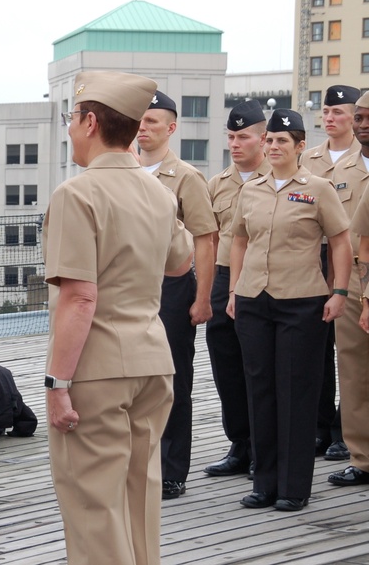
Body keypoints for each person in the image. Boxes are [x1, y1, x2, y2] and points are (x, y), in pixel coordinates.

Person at [44, 71, 193, 565]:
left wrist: (56, 383)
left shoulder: (77, 194)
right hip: (153, 361)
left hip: (97, 368)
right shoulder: (158, 191)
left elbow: (80, 298)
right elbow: (180, 262)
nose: (70, 130)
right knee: (140, 497)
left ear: (89, 122)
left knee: (93, 504)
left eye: (72, 119)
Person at [228, 108, 352, 511]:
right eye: (271, 140)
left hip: (301, 300)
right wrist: (233, 291)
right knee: (259, 390)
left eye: (284, 141)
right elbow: (239, 241)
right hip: (253, 299)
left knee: (296, 392)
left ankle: (293, 487)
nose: (275, 146)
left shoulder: (318, 188)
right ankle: (264, 483)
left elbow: (339, 241)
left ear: (301, 146)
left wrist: (339, 291)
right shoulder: (252, 189)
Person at [137, 91, 218, 499]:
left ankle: (171, 470)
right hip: (129, 286)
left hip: (171, 286)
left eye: (153, 121)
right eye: (140, 119)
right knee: (132, 375)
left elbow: (205, 240)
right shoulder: (123, 171)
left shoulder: (186, 177)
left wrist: (202, 298)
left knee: (172, 378)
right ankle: (137, 463)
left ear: (171, 128)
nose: (143, 127)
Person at [203, 100, 270, 477]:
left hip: (260, 280)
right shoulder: (217, 184)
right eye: (230, 136)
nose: (235, 143)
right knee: (225, 364)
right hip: (222, 277)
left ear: (262, 139)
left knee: (258, 366)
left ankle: (265, 447)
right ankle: (240, 444)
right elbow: (209, 238)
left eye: (243, 136)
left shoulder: (278, 179)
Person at [300, 84, 361, 461]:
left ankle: (344, 430)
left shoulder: (364, 157)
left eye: (339, 112)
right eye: (326, 111)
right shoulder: (307, 159)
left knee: (350, 353)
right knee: (316, 348)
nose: (330, 118)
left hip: (353, 262)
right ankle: (321, 427)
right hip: (313, 259)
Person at [329, 91, 369, 487]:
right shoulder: (342, 168)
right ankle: (362, 457)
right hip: (355, 283)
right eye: (359, 116)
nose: (363, 123)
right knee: (354, 372)